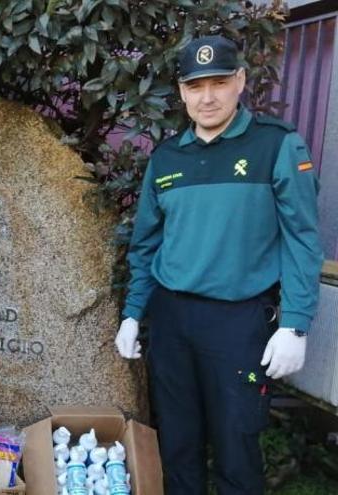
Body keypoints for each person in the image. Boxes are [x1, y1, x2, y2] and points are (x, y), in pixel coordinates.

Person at [114, 35, 323, 493]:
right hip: (172, 321)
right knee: (178, 445)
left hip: (238, 323)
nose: (207, 97)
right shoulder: (167, 157)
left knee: (236, 446)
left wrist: (296, 323)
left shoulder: (277, 146)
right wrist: (133, 313)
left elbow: (303, 239)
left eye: (219, 83)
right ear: (182, 91)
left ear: (240, 81)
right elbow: (147, 244)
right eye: (195, 86)